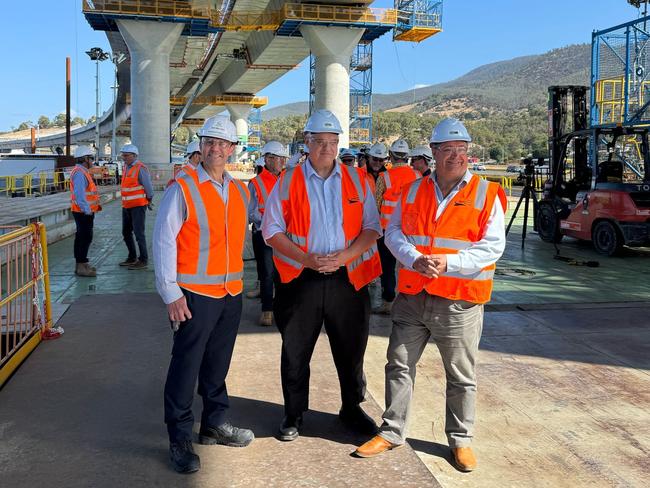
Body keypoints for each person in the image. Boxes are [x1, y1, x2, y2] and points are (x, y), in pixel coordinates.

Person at [354, 118, 507, 473]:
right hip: (412, 295)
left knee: (460, 375)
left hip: (458, 299)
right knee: (399, 364)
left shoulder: (487, 194)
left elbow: (493, 246)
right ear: (434, 153)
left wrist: (448, 263)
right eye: (448, 150)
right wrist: (414, 259)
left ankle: (461, 439)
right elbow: (392, 233)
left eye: (462, 150)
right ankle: (392, 431)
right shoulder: (411, 191)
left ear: (469, 153)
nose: (456, 156)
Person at [262, 109, 382, 442]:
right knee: (296, 350)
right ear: (306, 143)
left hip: (348, 279)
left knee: (351, 348)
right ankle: (294, 412)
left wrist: (344, 257)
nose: (326, 149)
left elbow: (372, 228)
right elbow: (270, 231)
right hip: (302, 279)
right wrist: (307, 259)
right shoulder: (288, 181)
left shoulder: (358, 180)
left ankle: (352, 408)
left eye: (332, 142)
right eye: (319, 142)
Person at [153, 115, 255, 474]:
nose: (214, 148)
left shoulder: (241, 190)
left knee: (218, 363)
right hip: (194, 294)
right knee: (186, 366)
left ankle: (215, 422)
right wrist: (170, 293)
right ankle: (179, 436)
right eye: (209, 142)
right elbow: (164, 240)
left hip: (230, 293)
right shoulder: (183, 188)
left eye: (221, 143)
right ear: (201, 145)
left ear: (231, 149)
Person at [373, 139, 421, 315]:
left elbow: (377, 205)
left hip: (387, 231)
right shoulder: (418, 176)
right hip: (412, 231)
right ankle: (409, 300)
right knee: (410, 265)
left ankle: (388, 302)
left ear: (391, 157)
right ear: (407, 157)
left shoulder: (384, 177)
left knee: (387, 268)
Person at [247, 140, 287, 326]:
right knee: (267, 273)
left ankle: (281, 307)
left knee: (283, 272)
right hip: (263, 234)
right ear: (269, 159)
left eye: (283, 158)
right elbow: (251, 212)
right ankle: (267, 310)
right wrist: (271, 222)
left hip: (286, 236)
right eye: (279, 158)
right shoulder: (256, 183)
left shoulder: (288, 179)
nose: (282, 162)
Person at [119, 143, 153, 270]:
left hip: (138, 206)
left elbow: (148, 188)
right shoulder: (126, 167)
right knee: (126, 232)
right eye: (123, 155)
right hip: (126, 206)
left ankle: (143, 260)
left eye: (126, 155)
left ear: (134, 155)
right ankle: (132, 257)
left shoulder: (140, 168)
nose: (124, 157)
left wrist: (148, 200)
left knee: (139, 233)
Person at [70, 145, 102, 277]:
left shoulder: (81, 171)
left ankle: (81, 264)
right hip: (83, 212)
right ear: (85, 159)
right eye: (91, 158)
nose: (92, 161)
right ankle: (81, 266)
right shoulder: (79, 173)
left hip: (82, 211)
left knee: (82, 237)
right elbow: (79, 194)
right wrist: (87, 210)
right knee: (84, 238)